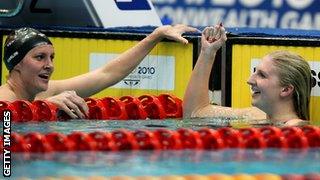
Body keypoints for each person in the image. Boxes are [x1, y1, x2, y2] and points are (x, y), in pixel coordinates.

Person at [0, 25, 198, 119]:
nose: (49, 65)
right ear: (16, 64)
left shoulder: (45, 92)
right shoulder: (4, 100)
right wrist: (47, 107)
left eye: (52, 57)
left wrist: (156, 36)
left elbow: (107, 74)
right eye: (40, 57)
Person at [182, 24, 311, 126]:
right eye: (255, 72)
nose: (250, 80)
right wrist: (208, 52)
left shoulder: (296, 128)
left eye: (262, 75)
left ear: (286, 89)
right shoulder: (255, 115)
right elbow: (195, 114)